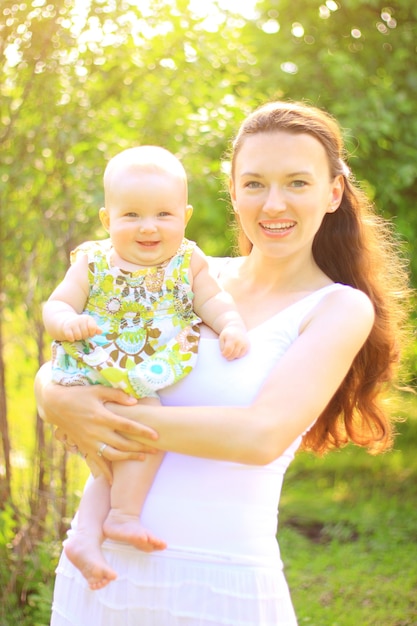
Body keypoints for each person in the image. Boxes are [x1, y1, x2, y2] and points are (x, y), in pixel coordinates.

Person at [35, 101, 410, 626]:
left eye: (297, 183)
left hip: (220, 582)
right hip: (102, 572)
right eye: (254, 183)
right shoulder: (183, 275)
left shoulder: (339, 307)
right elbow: (89, 351)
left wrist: (98, 415)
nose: (273, 203)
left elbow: (258, 436)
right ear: (232, 190)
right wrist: (48, 392)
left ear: (332, 193)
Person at [42, 145, 249, 590]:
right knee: (141, 436)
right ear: (106, 220)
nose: (148, 227)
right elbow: (57, 302)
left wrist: (230, 325)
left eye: (163, 214)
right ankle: (120, 517)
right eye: (131, 215)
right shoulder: (93, 261)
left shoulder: (188, 261)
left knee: (124, 450)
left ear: (186, 215)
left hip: (140, 373)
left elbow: (213, 300)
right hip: (97, 365)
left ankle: (84, 535)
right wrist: (66, 321)